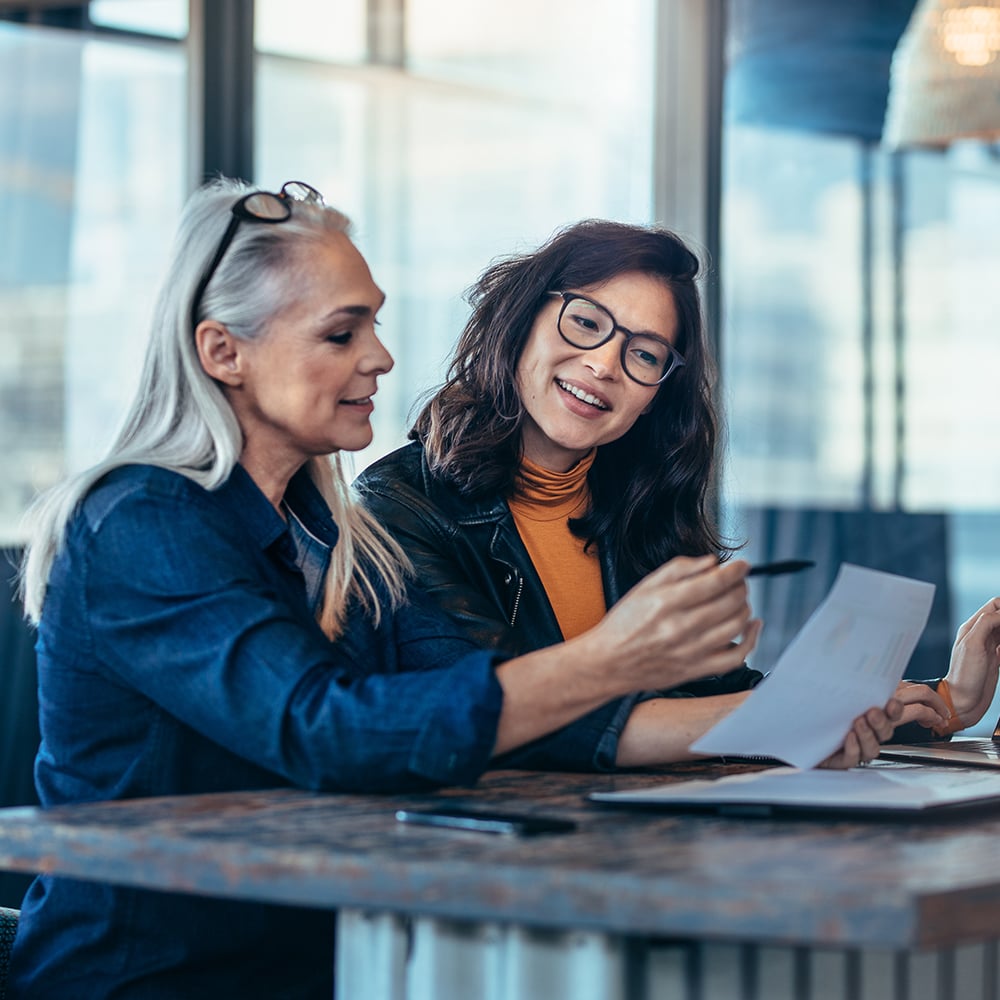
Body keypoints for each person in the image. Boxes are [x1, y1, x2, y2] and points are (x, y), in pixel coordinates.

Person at [8, 180, 921, 998]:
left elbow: (469, 695)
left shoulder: (328, 530)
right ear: (222, 352)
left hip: (329, 958)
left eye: (372, 324)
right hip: (157, 979)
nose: (382, 359)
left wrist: (822, 716)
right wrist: (613, 658)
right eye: (341, 332)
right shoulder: (141, 522)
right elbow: (329, 731)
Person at [356, 219, 952, 763]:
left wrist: (931, 701)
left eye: (644, 353)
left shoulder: (640, 508)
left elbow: (714, 695)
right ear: (520, 321)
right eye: (587, 322)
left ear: (656, 396)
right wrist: (781, 721)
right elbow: (502, 719)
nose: (604, 365)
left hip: (644, 842)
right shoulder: (397, 507)